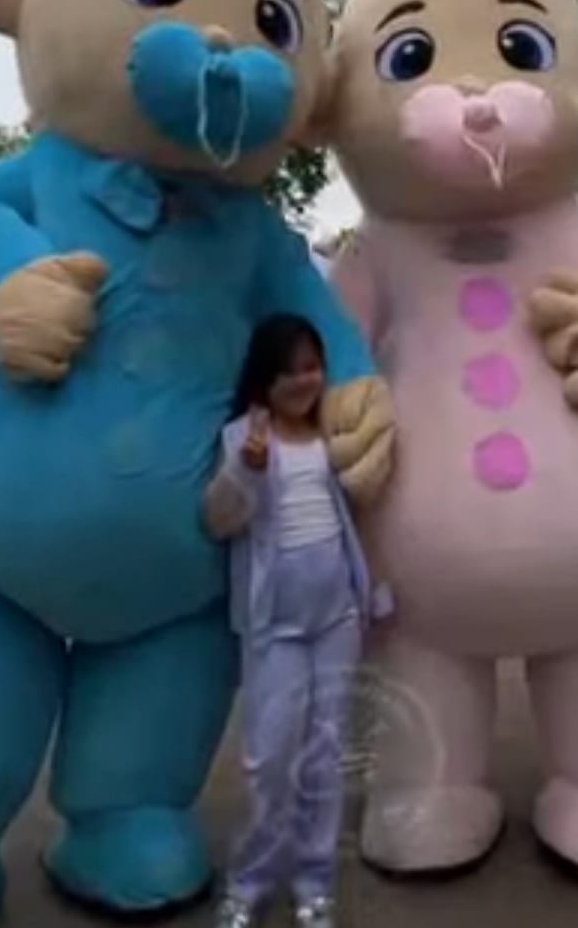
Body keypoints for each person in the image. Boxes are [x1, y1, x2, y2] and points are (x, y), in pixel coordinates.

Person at [204, 315, 390, 928]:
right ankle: (250, 883)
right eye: (289, 370)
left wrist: (370, 594)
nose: (304, 380)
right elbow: (219, 521)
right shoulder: (242, 438)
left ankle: (314, 884)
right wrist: (246, 470)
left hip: (337, 620)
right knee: (268, 762)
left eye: (312, 366)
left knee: (324, 757)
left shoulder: (332, 435)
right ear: (266, 378)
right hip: (274, 627)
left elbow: (360, 516)